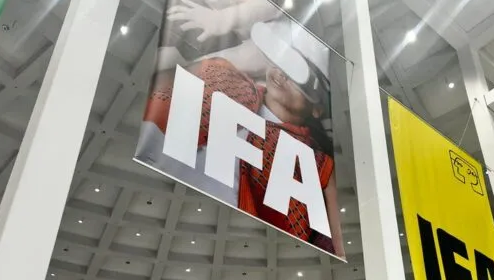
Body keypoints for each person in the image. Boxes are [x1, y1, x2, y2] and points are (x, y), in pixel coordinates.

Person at [142, 21, 345, 258]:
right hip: (158, 181)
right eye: (281, 59)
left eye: (297, 74)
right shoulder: (221, 74)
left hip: (232, 236)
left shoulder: (315, 165)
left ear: (318, 109)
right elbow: (157, 90)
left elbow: (332, 244)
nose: (282, 73)